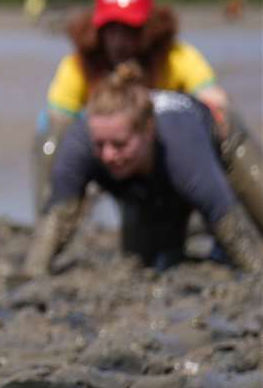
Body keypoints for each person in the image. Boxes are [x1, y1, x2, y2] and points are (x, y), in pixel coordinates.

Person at [32, 0, 258, 219]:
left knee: (229, 124)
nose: (119, 42)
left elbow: (214, 99)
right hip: (120, 168)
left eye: (129, 30)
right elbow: (56, 121)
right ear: (97, 31)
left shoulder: (174, 58)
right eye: (111, 30)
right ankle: (52, 216)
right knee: (49, 137)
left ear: (149, 29)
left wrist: (214, 112)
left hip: (168, 159)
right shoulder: (78, 67)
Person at [26, 62, 263, 275]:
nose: (108, 155)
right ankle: (190, 229)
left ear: (148, 131)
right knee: (147, 261)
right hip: (144, 181)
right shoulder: (80, 143)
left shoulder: (182, 148)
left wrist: (255, 270)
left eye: (119, 144)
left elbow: (231, 224)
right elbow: (57, 217)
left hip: (222, 141)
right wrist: (35, 271)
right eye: (100, 144)